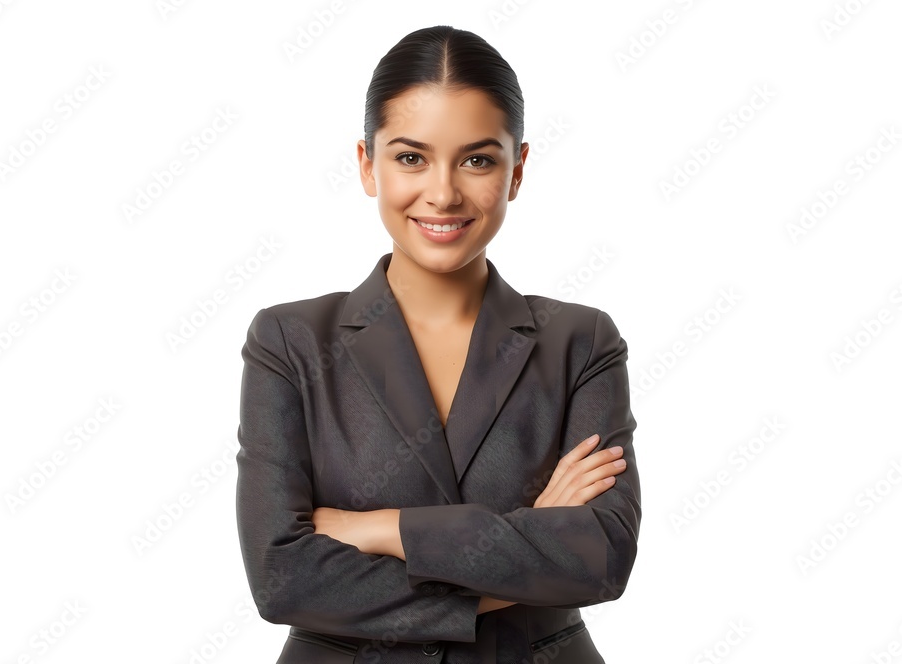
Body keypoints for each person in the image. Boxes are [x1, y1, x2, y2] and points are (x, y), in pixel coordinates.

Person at [235, 25, 640, 664]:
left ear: (517, 170)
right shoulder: (290, 342)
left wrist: (380, 528)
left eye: (477, 160)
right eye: (410, 158)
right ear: (367, 164)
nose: (444, 193)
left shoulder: (580, 342)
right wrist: (527, 553)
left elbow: (600, 558)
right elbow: (282, 577)